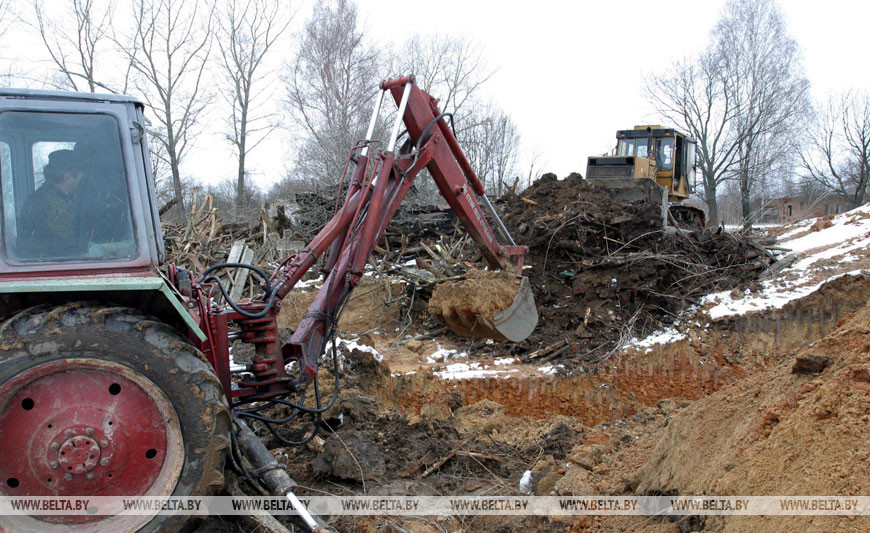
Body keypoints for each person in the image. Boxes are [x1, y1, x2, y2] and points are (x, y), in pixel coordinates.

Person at [18, 149, 84, 258]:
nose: (82, 185)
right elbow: (67, 243)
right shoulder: (44, 204)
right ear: (68, 177)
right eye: (81, 180)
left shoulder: (47, 197)